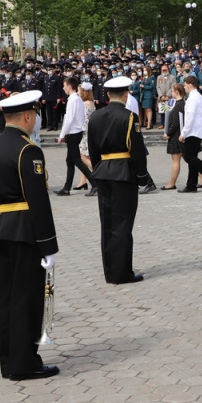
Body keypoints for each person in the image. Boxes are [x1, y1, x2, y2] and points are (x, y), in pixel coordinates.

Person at [0, 90, 59, 380]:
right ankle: (25, 363)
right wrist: (49, 245)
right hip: (26, 231)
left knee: (5, 298)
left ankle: (10, 362)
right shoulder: (28, 150)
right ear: (27, 116)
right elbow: (38, 200)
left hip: (0, 227)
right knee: (26, 299)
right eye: (35, 114)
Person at [86, 76, 151, 284]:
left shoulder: (96, 116)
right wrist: (142, 176)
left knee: (107, 224)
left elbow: (92, 149)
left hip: (103, 171)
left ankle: (110, 271)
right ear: (126, 94)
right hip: (123, 173)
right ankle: (122, 273)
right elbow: (136, 149)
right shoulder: (129, 116)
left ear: (107, 95)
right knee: (123, 224)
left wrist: (98, 169)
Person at [54, 77, 94, 196]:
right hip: (76, 132)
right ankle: (67, 188)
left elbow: (69, 119)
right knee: (70, 161)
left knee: (77, 160)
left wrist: (62, 135)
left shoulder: (73, 100)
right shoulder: (76, 99)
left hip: (73, 132)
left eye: (64, 85)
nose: (63, 88)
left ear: (69, 86)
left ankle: (95, 183)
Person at [75, 83, 96, 193]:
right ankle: (83, 181)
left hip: (84, 132)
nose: (77, 93)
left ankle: (98, 172)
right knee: (84, 155)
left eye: (79, 91)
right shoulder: (91, 103)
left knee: (82, 157)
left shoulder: (84, 104)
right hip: (89, 131)